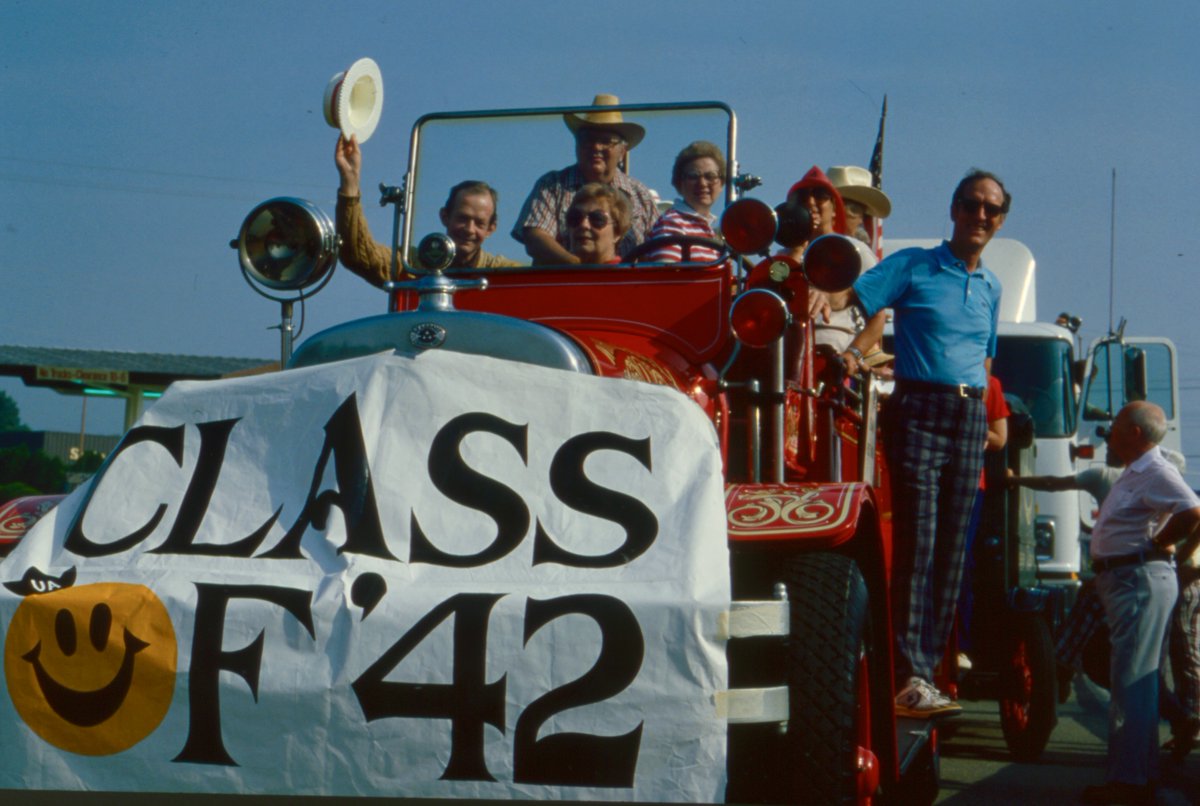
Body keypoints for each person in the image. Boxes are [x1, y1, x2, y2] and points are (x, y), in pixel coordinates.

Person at [840, 169, 1008, 717]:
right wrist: (829, 309)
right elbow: (853, 298)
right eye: (971, 204)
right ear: (953, 209)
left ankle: (928, 672)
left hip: (969, 414)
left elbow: (985, 360)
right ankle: (908, 673)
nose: (980, 215)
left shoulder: (991, 286)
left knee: (953, 552)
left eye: (991, 209)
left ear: (1000, 220)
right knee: (918, 543)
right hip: (919, 408)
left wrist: (977, 406)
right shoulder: (915, 265)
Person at [1079, 401, 1200, 805]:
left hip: (1138, 579)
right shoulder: (1136, 471)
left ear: (1134, 432)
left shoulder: (1156, 470)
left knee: (1130, 683)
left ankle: (1127, 783)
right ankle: (1139, 777)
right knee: (1138, 682)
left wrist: (1161, 543)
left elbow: (1192, 511)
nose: (1108, 433)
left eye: (1114, 425)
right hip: (1129, 578)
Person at [334, 134, 519, 284]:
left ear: (491, 228)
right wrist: (350, 182)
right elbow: (359, 256)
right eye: (462, 218)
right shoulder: (413, 265)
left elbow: (536, 285)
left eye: (479, 223)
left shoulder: (503, 273)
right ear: (445, 216)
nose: (470, 229)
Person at [511, 94, 659, 265]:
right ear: (577, 145)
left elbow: (655, 249)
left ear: (622, 152)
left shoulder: (641, 195)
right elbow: (535, 237)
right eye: (588, 139)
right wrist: (578, 269)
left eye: (606, 141)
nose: (596, 147)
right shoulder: (552, 185)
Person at [955, 373, 1010, 668]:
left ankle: (959, 644)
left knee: (959, 558)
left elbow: (1000, 437)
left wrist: (969, 430)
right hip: (923, 472)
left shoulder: (989, 382)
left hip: (967, 481)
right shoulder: (921, 368)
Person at [641, 141, 725, 263]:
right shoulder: (671, 222)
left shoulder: (711, 232)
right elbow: (666, 271)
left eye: (710, 176)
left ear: (721, 183)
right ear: (680, 183)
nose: (702, 183)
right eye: (693, 176)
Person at [564, 183, 629, 265]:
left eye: (597, 219)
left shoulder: (631, 273)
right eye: (575, 217)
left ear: (617, 232)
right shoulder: (555, 272)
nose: (583, 225)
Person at [827, 164, 892, 246]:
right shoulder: (813, 247)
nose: (861, 221)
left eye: (864, 215)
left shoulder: (860, 251)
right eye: (854, 211)